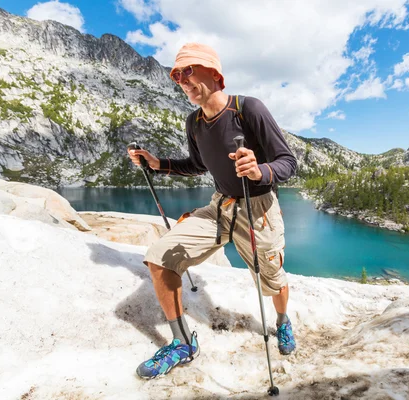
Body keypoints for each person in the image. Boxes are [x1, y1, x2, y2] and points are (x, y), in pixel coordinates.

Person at [128, 42, 298, 379]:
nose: (181, 80)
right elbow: (196, 164)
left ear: (215, 74)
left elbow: (288, 162)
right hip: (220, 207)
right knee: (159, 256)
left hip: (259, 211)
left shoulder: (248, 109)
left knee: (272, 282)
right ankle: (182, 344)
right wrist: (157, 163)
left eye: (188, 71)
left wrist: (260, 170)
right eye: (176, 75)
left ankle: (282, 321)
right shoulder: (193, 122)